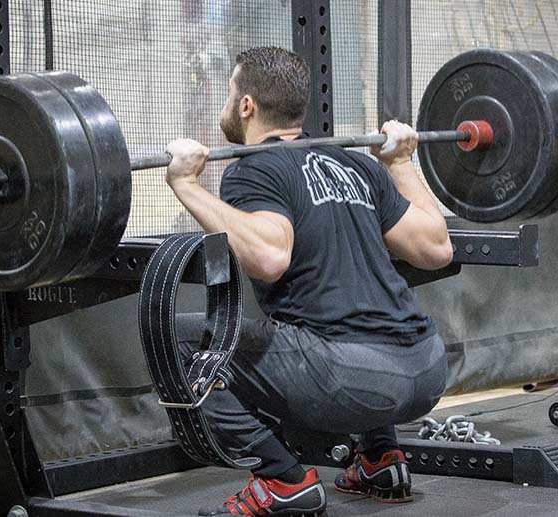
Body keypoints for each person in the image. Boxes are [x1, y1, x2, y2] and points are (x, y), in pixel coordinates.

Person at [165, 46, 450, 517]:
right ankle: (380, 458)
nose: (226, 104)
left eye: (229, 92)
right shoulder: (354, 164)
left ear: (246, 105)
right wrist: (399, 163)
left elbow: (271, 256)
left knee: (173, 335)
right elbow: (436, 247)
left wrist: (187, 185)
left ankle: (282, 479)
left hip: (353, 380)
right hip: (428, 369)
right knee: (340, 304)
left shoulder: (253, 168)